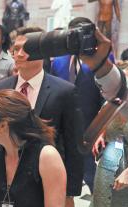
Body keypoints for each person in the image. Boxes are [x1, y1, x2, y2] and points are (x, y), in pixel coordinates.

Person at [0, 26, 84, 207]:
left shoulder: (64, 91)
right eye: (15, 49)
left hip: (45, 176)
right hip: (7, 174)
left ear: (42, 51)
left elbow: (73, 143)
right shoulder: (0, 88)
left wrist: (70, 193)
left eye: (26, 48)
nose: (19, 54)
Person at [51, 17, 111, 195]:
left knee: (92, 173)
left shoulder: (101, 58)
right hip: (64, 128)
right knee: (65, 169)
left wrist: (103, 128)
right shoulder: (59, 61)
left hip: (92, 125)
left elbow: (106, 95)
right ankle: (67, 201)